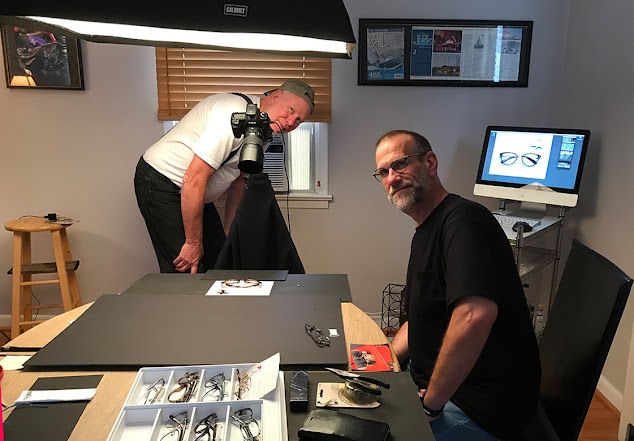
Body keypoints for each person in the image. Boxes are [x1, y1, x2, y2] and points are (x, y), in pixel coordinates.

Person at [373, 130, 540, 440]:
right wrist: (380, 361)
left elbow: (474, 315)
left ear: (430, 163)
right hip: (432, 385)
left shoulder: (465, 222)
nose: (392, 178)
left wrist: (429, 407)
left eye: (400, 164)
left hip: (478, 407)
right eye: (383, 172)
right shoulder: (426, 229)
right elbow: (420, 319)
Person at [135, 79, 314, 273]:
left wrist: (229, 230)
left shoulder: (262, 129)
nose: (291, 122)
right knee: (188, 267)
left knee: (219, 259)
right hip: (162, 181)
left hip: (193, 190)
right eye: (291, 110)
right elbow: (194, 178)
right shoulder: (233, 116)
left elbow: (237, 180)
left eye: (299, 120)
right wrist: (193, 243)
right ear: (275, 96)